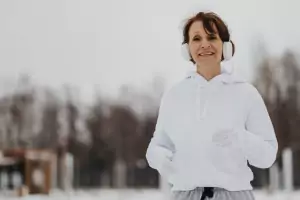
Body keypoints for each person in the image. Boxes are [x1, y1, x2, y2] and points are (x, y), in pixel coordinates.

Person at [145, 11, 278, 200]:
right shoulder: (174, 96)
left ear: (225, 46)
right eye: (196, 38)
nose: (204, 44)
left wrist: (241, 138)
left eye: (212, 37)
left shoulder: (246, 93)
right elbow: (156, 147)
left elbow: (268, 156)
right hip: (184, 195)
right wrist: (160, 159)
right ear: (187, 49)